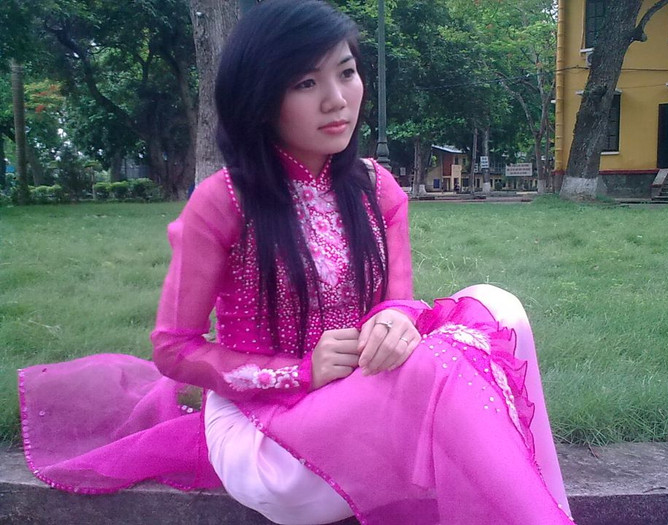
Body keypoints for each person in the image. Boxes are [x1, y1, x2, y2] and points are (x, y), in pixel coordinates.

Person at [18, 1, 574, 523]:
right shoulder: (223, 201)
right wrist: (301, 371)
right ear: (259, 98)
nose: (336, 99)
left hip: (359, 405)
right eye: (305, 83)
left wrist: (396, 319)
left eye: (346, 73)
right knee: (446, 365)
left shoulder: (377, 188)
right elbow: (173, 348)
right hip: (269, 440)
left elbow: (400, 299)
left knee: (499, 307)